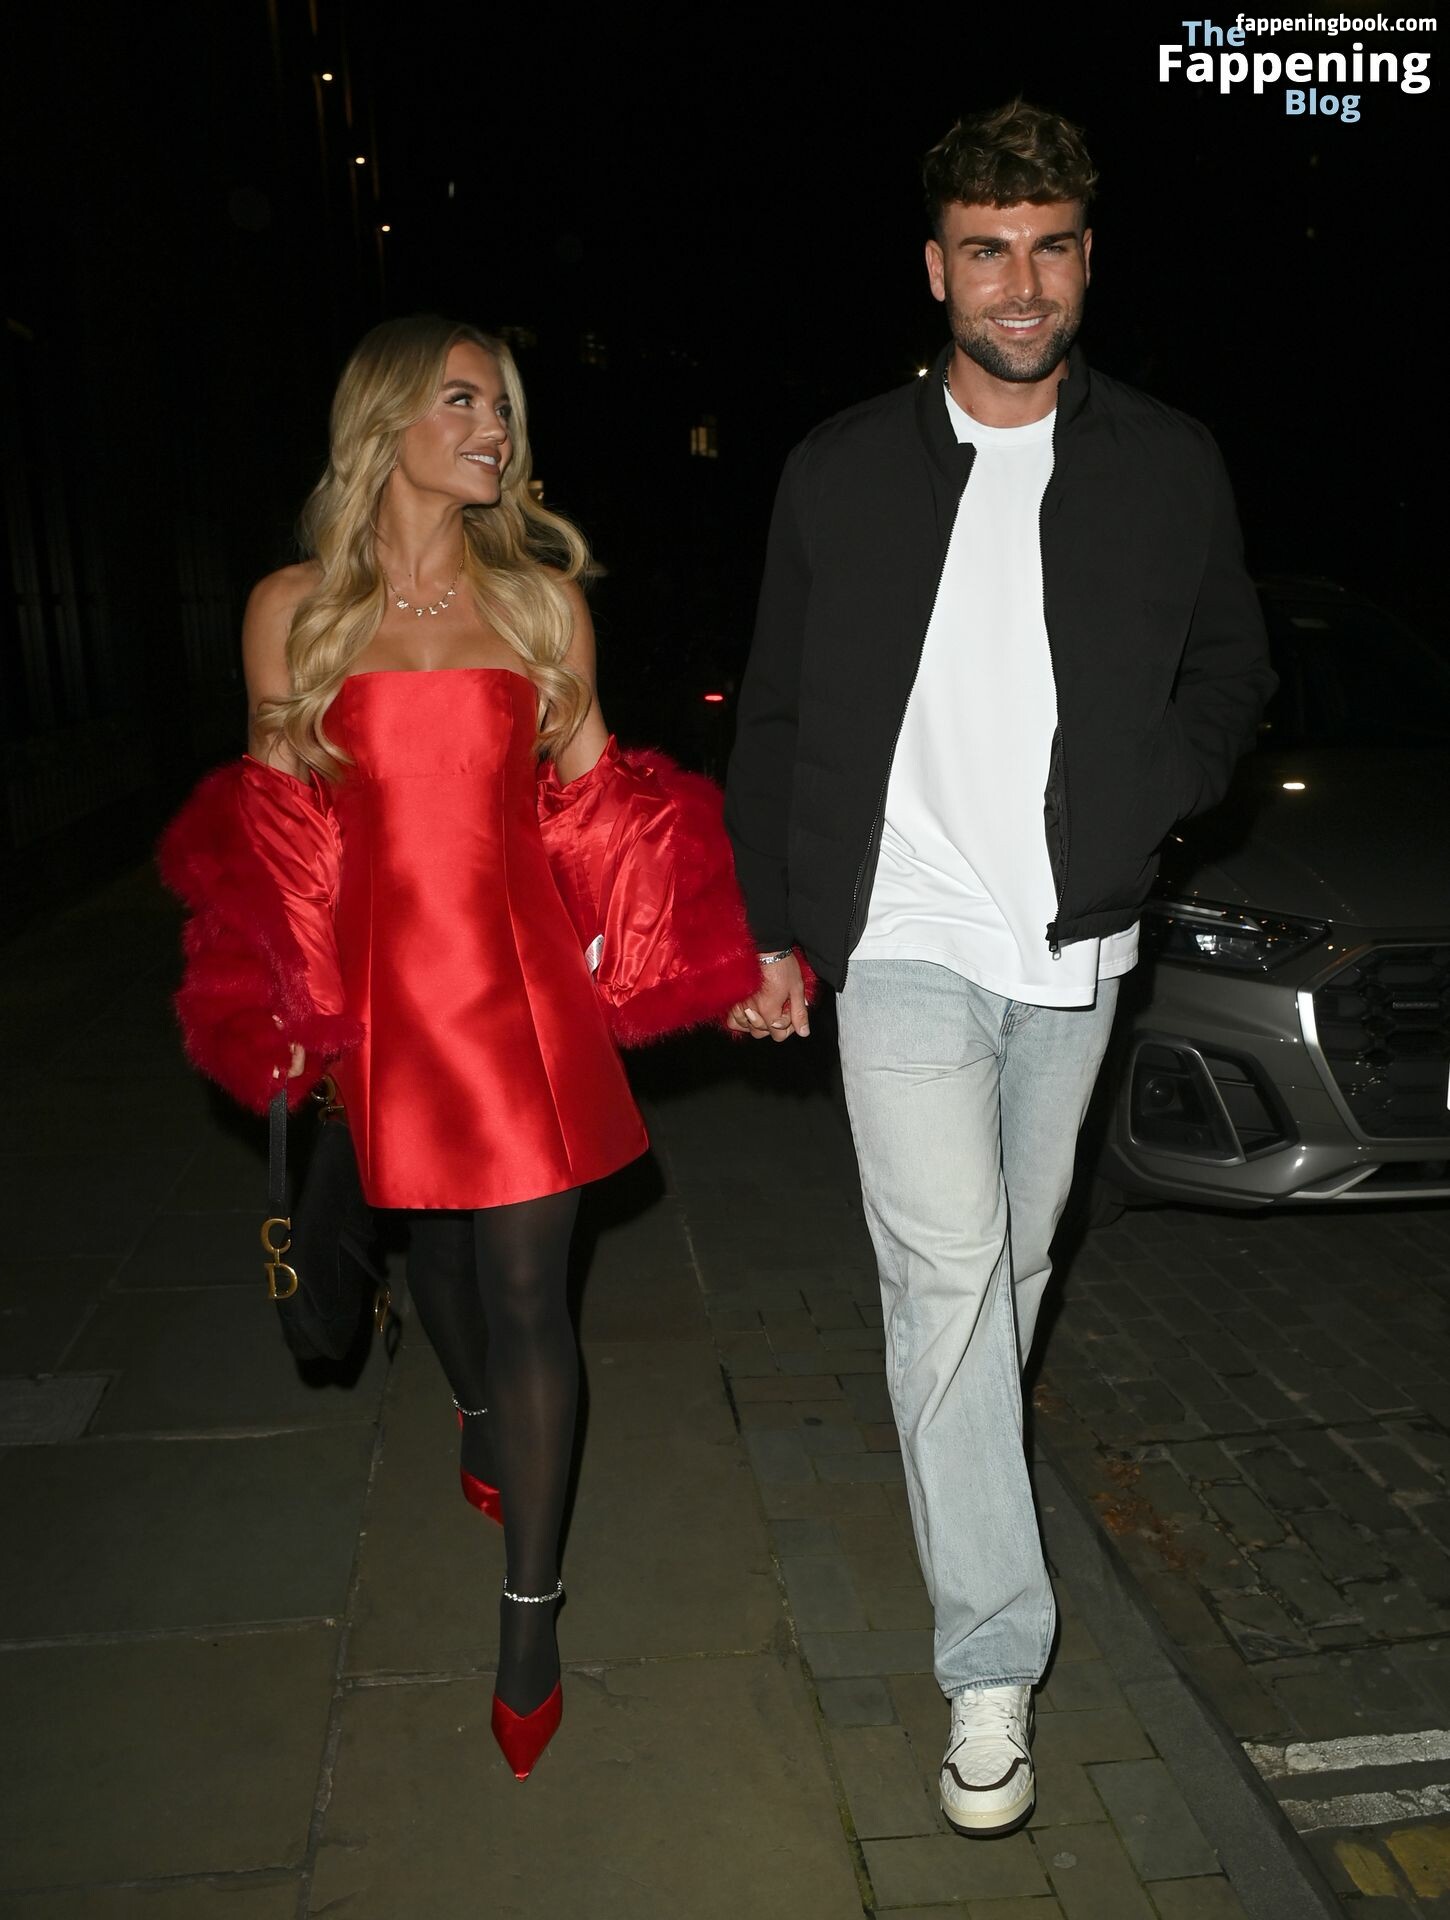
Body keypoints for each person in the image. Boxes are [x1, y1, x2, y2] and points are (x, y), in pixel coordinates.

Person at [724, 101, 1274, 1837]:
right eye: (985, 250)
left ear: (1087, 262)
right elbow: (777, 710)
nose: (1017, 284)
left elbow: (1233, 668)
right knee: (954, 1274)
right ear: (934, 268)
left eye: (1047, 249)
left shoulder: (1166, 461)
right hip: (897, 935)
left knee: (999, 1273)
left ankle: (945, 1439)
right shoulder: (838, 469)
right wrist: (767, 923)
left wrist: (1156, 792)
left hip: (1075, 939)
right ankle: (990, 1660)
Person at [162, 316, 757, 1781]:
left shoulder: (541, 605)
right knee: (436, 1265)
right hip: (384, 1005)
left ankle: (530, 1612)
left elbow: (600, 805)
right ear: (386, 422)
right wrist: (288, 1015)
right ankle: (478, 1414)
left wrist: (719, 951)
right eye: (466, 401)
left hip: (524, 996)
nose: (496, 428)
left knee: (528, 1287)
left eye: (503, 409)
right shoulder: (294, 609)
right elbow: (277, 836)